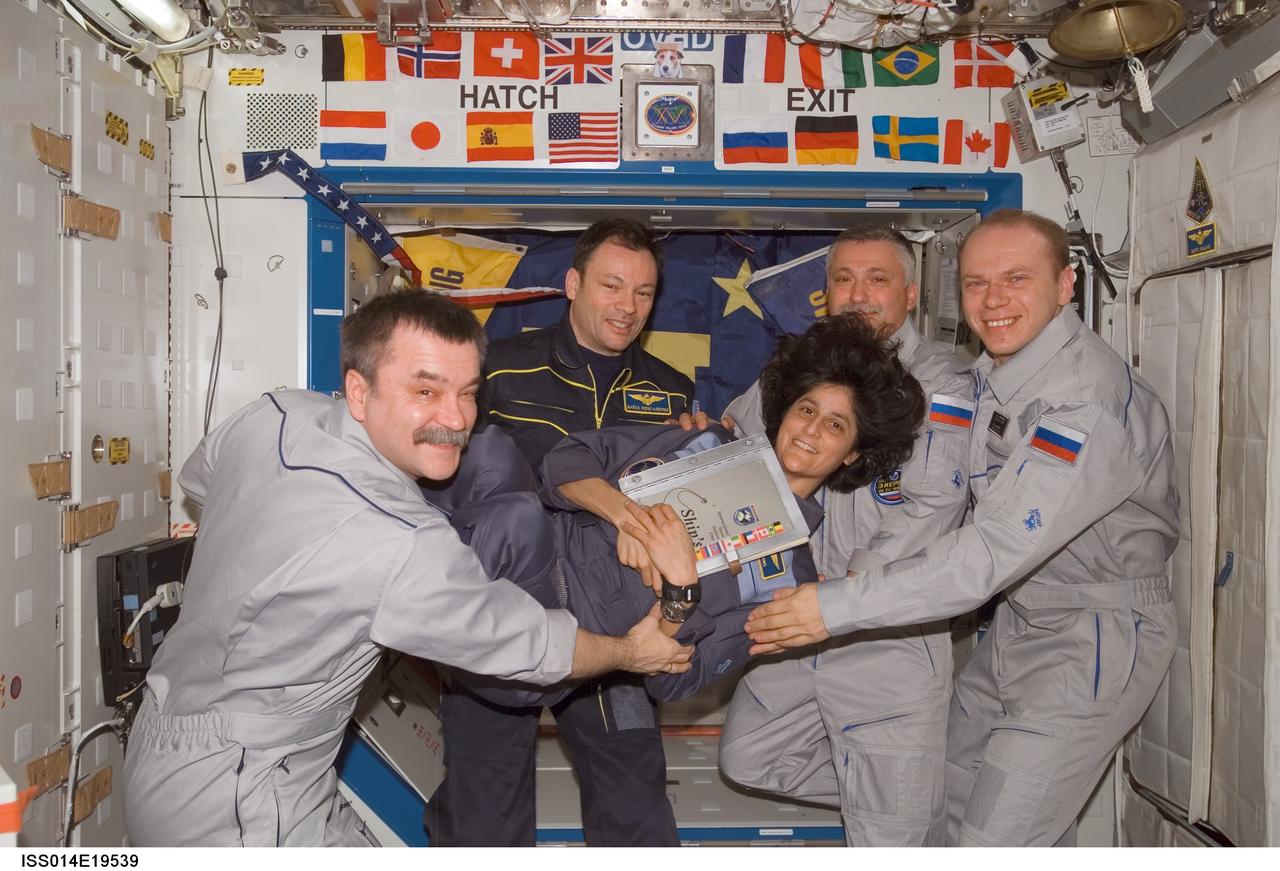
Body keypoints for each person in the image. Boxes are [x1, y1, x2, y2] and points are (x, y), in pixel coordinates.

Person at [120, 292, 692, 847]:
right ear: (358, 391)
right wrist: (629, 653)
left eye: (468, 392)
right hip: (241, 793)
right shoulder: (399, 542)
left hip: (169, 727)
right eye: (425, 390)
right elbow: (533, 644)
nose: (455, 419)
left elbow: (200, 480)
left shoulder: (274, 414)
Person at [741, 209, 1179, 847]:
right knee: (946, 809)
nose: (993, 300)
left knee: (991, 843)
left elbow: (988, 548)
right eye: (976, 283)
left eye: (1016, 279)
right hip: (1014, 625)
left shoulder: (1081, 401)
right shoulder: (991, 376)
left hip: (1091, 635)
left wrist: (832, 605)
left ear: (1065, 286)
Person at [436, 314, 923, 708]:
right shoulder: (706, 438)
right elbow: (565, 460)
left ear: (854, 453)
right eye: (807, 409)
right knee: (488, 451)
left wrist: (680, 589)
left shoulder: (789, 584)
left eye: (835, 425)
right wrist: (630, 516)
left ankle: (405, 592)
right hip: (545, 543)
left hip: (557, 637)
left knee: (514, 519)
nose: (811, 430)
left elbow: (675, 684)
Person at [428, 218, 695, 846]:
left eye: (644, 292)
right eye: (612, 285)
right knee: (482, 822)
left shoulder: (673, 391)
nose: (628, 307)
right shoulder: (496, 368)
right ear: (573, 283)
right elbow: (442, 479)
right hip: (501, 617)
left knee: (637, 807)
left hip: (609, 626)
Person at [713, 226, 972, 846]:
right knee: (747, 756)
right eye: (842, 279)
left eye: (876, 279)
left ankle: (905, 807)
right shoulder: (808, 364)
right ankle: (914, 796)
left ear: (910, 295)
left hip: (885, 628)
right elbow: (740, 432)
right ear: (824, 292)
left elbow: (936, 502)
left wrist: (848, 591)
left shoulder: (943, 383)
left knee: (890, 834)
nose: (857, 294)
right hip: (802, 624)